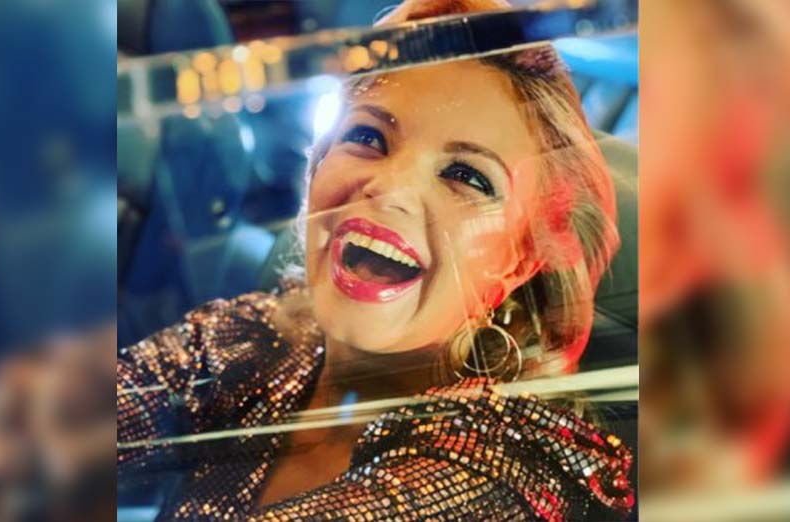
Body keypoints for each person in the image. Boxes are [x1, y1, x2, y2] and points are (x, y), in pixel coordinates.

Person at [117, 1, 634, 519]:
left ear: (520, 261)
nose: (390, 187)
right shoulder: (258, 335)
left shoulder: (501, 468)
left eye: (467, 176)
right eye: (367, 137)